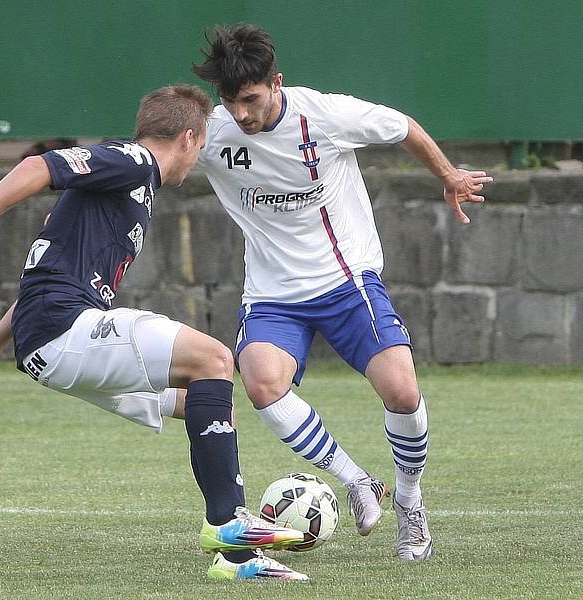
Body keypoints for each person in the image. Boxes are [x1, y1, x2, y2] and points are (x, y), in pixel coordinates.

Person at [0, 84, 309, 581]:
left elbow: (46, 274)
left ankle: (237, 561)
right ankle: (227, 522)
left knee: (206, 401)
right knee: (215, 359)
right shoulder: (134, 160)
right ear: (188, 138)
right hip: (65, 331)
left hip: (49, 339)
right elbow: (38, 167)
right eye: (202, 146)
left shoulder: (122, 186)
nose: (198, 157)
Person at [192, 24, 494, 561]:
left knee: (402, 391)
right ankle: (357, 481)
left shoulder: (323, 117)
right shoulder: (213, 132)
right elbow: (153, 159)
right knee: (261, 382)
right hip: (273, 295)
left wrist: (447, 174)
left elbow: (402, 126)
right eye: (230, 102)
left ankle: (410, 500)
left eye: (251, 99)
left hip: (347, 281)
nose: (240, 114)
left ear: (276, 83)